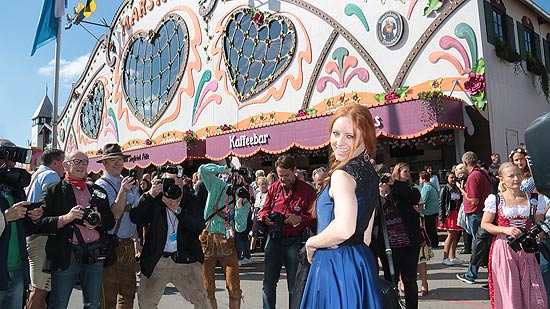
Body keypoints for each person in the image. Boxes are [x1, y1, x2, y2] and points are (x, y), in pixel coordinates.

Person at [300, 105, 383, 308]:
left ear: (365, 137)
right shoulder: (370, 173)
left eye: (350, 136)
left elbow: (345, 228)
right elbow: (366, 235)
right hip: (359, 262)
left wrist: (312, 243)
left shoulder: (342, 175)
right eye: (336, 134)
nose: (340, 142)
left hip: (334, 265)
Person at [38, 150, 115, 308]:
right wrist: (66, 218)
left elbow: (110, 221)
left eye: (84, 162)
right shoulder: (54, 189)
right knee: (58, 304)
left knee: (93, 304)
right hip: (66, 253)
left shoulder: (97, 191)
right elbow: (41, 223)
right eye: (76, 161)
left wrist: (99, 221)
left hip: (94, 254)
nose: (81, 165)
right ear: (66, 165)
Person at [130, 165, 210, 308]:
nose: (172, 186)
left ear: (182, 181)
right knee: (146, 302)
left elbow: (198, 226)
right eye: (168, 182)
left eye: (176, 181)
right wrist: (149, 195)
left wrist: (177, 210)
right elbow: (136, 217)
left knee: (202, 301)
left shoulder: (191, 200)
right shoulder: (155, 199)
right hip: (158, 259)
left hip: (186, 259)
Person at [481, 162, 547, 308]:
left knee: (531, 286)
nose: (516, 178)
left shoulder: (534, 199)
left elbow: (539, 225)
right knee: (509, 289)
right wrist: (505, 230)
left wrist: (537, 234)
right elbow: (485, 224)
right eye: (511, 176)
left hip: (527, 249)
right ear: (501, 179)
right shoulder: (495, 199)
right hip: (504, 248)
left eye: (518, 174)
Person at [259, 155, 316, 309]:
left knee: (294, 287)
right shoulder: (273, 188)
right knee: (268, 284)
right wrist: (265, 218)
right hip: (274, 238)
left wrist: (299, 219)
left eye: (286, 175)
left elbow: (315, 217)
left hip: (294, 240)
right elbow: (264, 210)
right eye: (280, 175)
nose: (283, 179)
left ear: (294, 170)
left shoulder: (307, 191)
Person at [198, 162, 251, 309]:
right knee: (208, 288)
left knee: (234, 288)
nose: (236, 181)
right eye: (235, 177)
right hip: (208, 240)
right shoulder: (217, 186)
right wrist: (225, 169)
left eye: (240, 178)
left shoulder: (243, 199)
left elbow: (240, 228)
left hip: (227, 242)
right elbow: (203, 169)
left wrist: (240, 206)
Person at [94, 143, 140, 309]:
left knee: (128, 293)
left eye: (120, 159)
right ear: (104, 163)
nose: (117, 163)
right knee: (108, 296)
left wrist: (137, 239)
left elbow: (135, 215)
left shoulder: (129, 183)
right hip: (110, 246)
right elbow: (115, 214)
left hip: (127, 245)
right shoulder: (100, 185)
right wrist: (123, 192)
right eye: (112, 160)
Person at [0, 139, 43, 308]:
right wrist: (6, 217)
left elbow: (25, 229)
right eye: (6, 158)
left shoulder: (17, 190)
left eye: (13, 159)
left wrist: (33, 217)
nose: (11, 164)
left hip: (17, 269)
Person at [378, 162, 422, 309]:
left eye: (409, 172)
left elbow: (415, 196)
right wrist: (382, 194)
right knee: (391, 281)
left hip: (408, 243)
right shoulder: (378, 194)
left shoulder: (403, 190)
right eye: (405, 172)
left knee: (409, 279)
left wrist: (394, 184)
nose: (408, 174)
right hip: (388, 245)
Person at [26, 148, 65, 309]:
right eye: (63, 163)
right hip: (42, 237)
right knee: (40, 289)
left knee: (38, 288)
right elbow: (53, 206)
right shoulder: (51, 176)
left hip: (32, 233)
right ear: (55, 163)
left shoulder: (35, 174)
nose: (65, 167)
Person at [456, 151, 492, 285]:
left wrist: (463, 191)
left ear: (465, 163)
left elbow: (474, 200)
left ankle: (471, 274)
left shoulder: (473, 176)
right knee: (481, 244)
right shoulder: (482, 173)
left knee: (478, 244)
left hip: (476, 213)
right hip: (482, 212)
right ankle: (479, 274)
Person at [439, 172, 463, 266]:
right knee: (450, 235)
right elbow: (441, 204)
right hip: (449, 215)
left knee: (455, 235)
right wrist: (441, 218)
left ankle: (453, 256)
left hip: (457, 214)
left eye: (454, 177)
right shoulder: (444, 189)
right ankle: (445, 257)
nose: (453, 179)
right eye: (451, 178)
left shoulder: (457, 188)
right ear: (447, 179)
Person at [419, 171, 440, 248]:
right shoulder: (432, 186)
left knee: (429, 228)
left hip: (428, 211)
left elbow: (423, 200)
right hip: (434, 209)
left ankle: (432, 242)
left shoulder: (426, 187)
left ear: (423, 179)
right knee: (433, 228)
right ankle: (435, 242)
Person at [250, 176, 268, 253]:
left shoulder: (268, 194)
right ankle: (252, 249)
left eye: (265, 184)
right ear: (258, 185)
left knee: (265, 233)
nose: (264, 186)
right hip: (256, 212)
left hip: (264, 212)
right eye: (262, 184)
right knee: (254, 232)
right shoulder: (257, 194)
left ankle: (265, 248)